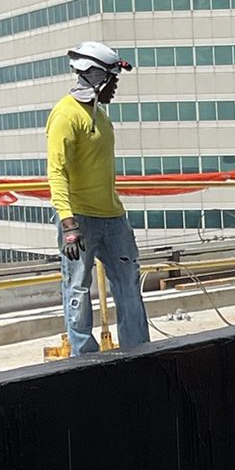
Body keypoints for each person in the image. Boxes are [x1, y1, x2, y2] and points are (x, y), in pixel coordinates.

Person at [46, 42, 151, 356]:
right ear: (96, 77)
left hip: (112, 217)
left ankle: (138, 350)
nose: (115, 87)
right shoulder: (65, 115)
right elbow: (57, 171)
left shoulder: (101, 116)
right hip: (79, 219)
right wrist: (68, 224)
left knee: (128, 283)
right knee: (77, 287)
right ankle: (85, 356)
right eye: (112, 79)